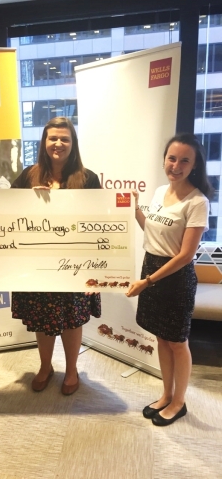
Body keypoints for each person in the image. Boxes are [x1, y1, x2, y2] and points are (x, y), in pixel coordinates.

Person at [126, 133, 212, 426]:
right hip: (152, 267)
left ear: (194, 165)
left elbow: (186, 255)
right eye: (171, 158)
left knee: (178, 341)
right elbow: (151, 231)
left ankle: (179, 402)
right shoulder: (161, 191)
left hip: (174, 278)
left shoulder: (198, 202)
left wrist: (147, 281)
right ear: (165, 159)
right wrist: (135, 208)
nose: (176, 165)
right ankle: (165, 394)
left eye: (184, 160)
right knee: (162, 338)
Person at [11, 117, 101, 395]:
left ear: (73, 144)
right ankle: (45, 366)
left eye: (65, 139)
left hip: (76, 264)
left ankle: (72, 370)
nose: (58, 144)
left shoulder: (88, 179)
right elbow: (5, 214)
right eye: (53, 138)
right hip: (38, 264)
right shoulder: (29, 176)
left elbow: (101, 226)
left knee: (72, 320)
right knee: (43, 319)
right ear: (44, 142)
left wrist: (95, 271)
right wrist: (28, 201)